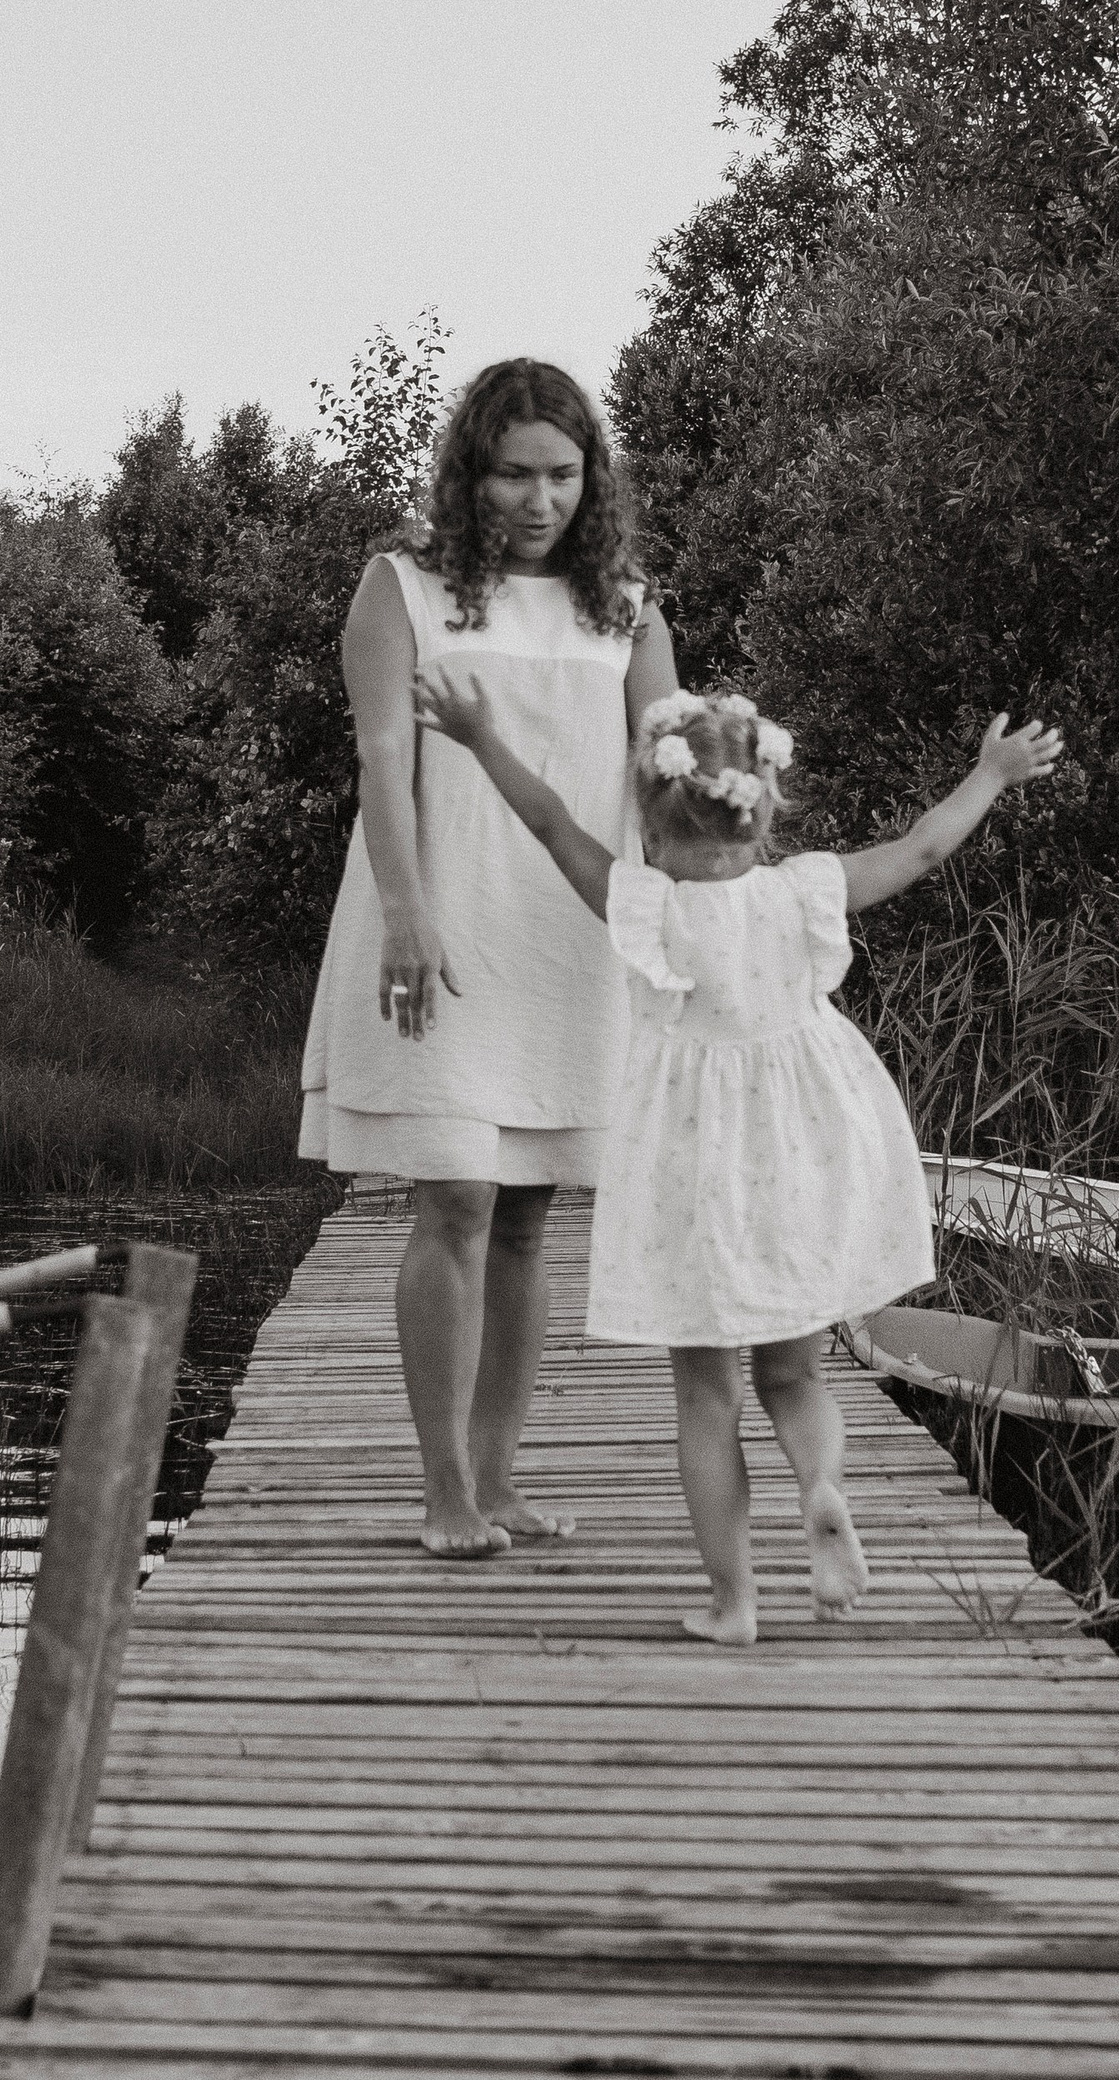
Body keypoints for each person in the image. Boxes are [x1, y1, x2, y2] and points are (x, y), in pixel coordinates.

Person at [410, 675, 1063, 1643]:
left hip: (694, 1172)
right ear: (762, 820)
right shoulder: (807, 889)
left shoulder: (642, 901)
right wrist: (991, 772)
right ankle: (821, 1483)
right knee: (794, 1377)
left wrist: (479, 736)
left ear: (654, 827)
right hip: (802, 1154)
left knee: (706, 1396)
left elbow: (548, 823)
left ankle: (734, 1602)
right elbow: (925, 844)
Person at [298, 359, 678, 1557]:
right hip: (443, 911)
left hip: (570, 931)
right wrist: (407, 910)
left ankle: (503, 1478)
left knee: (526, 1217)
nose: (538, 498)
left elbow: (668, 784)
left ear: (591, 478)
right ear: (471, 472)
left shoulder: (627, 605)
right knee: (454, 1195)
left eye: (562, 474)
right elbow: (381, 762)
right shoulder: (399, 586)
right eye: (513, 473)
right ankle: (444, 1489)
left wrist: (695, 927)